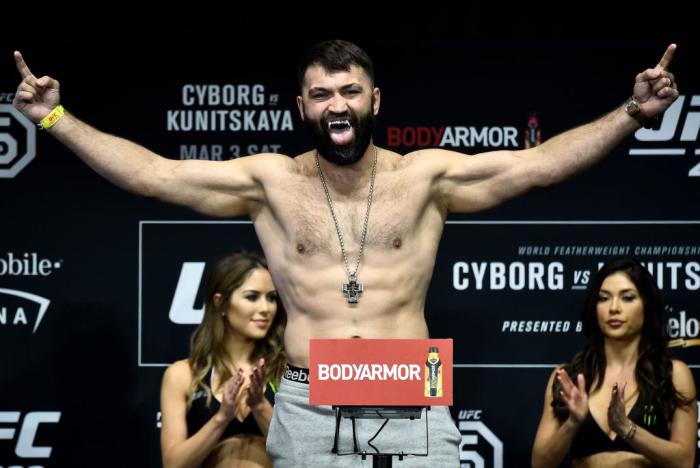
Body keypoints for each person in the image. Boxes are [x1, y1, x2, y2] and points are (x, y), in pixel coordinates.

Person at [13, 40, 680, 466]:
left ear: (374, 100)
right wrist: (54, 118)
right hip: (309, 405)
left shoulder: (426, 178)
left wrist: (632, 112)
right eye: (324, 94)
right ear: (303, 106)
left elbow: (540, 165)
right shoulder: (269, 182)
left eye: (351, 90)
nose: (339, 104)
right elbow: (155, 175)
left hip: (416, 401)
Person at [531, 258, 697, 467]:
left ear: (647, 305)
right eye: (603, 298)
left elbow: (684, 461)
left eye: (627, 298)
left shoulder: (673, 374)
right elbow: (540, 463)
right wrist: (572, 424)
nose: (614, 308)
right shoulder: (569, 377)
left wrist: (627, 429)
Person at [159, 252, 286, 468]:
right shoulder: (183, 375)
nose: (265, 308)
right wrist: (222, 417)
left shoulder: (289, 371)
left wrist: (260, 406)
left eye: (271, 297)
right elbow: (173, 465)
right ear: (221, 303)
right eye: (252, 297)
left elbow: (305, 458)